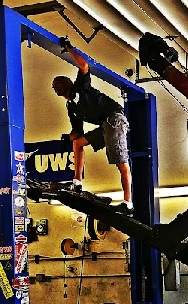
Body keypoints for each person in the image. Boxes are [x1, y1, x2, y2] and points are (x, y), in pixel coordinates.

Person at [52, 36, 133, 215]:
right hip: (105, 125)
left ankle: (128, 203)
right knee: (78, 143)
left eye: (58, 82)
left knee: (120, 160)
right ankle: (77, 183)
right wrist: (67, 137)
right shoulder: (71, 107)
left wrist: (69, 48)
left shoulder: (81, 87)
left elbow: (83, 65)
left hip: (114, 118)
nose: (54, 85)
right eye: (53, 85)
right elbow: (77, 132)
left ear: (68, 83)